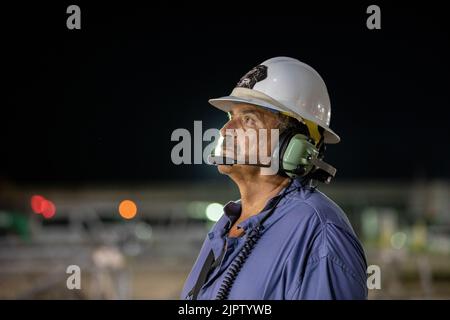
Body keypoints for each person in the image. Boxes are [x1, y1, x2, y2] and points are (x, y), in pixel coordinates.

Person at [181, 57, 367, 300]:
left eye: (248, 119)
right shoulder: (226, 224)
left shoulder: (320, 233)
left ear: (295, 145)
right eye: (230, 117)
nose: (226, 131)